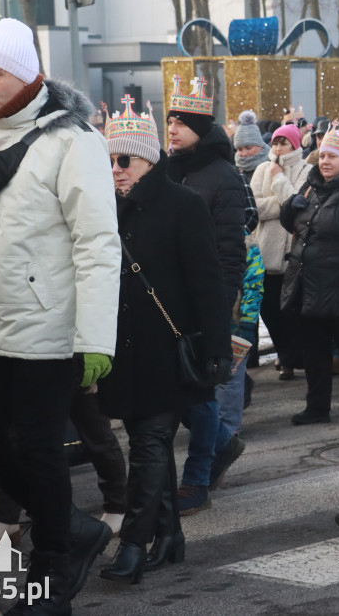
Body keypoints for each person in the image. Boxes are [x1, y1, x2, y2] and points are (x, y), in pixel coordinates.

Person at [0, 17, 121, 614]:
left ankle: (52, 575)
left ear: (27, 75)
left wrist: (94, 337)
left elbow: (98, 244)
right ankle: (73, 525)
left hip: (47, 330)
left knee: (40, 449)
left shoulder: (74, 141)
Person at [95, 97, 230, 584]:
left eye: (124, 160)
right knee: (146, 442)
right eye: (109, 161)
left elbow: (207, 282)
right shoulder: (104, 207)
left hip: (167, 352)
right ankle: (170, 536)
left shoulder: (183, 204)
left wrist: (218, 351)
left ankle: (134, 542)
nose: (115, 170)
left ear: (148, 160)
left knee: (150, 445)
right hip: (122, 352)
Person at [164, 75, 246, 516]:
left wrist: (222, 306)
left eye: (180, 122)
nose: (172, 129)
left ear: (200, 127)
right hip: (163, 299)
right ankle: (222, 444)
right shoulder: (168, 168)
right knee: (175, 392)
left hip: (203, 299)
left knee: (197, 392)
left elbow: (230, 250)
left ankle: (196, 480)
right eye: (169, 121)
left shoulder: (223, 177)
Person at [280, 127, 339, 424]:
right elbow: (297, 226)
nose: (324, 162)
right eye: (322, 156)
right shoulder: (312, 186)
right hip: (307, 280)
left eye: (332, 156)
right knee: (313, 349)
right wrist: (288, 209)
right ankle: (317, 407)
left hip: (338, 283)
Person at [251, 122, 307, 381]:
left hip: (296, 255)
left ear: (295, 145)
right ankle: (285, 356)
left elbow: (301, 207)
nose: (278, 148)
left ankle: (293, 356)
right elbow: (255, 208)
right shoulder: (262, 168)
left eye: (284, 142)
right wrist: (284, 200)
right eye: (275, 142)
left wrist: (279, 180)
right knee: (270, 310)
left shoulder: (306, 170)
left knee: (293, 313)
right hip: (267, 252)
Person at [233, 109, 268, 185]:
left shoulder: (272, 167)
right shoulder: (234, 171)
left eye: (248, 148)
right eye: (239, 149)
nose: (244, 153)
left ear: (260, 145)